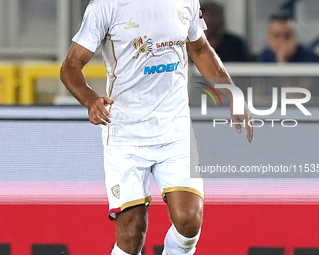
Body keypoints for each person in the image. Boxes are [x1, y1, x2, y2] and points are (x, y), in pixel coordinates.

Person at [60, 0, 253, 254]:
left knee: (189, 221)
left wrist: (231, 91)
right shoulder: (105, 7)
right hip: (125, 132)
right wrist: (90, 99)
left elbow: (201, 50)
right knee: (132, 233)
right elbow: (71, 66)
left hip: (174, 128)